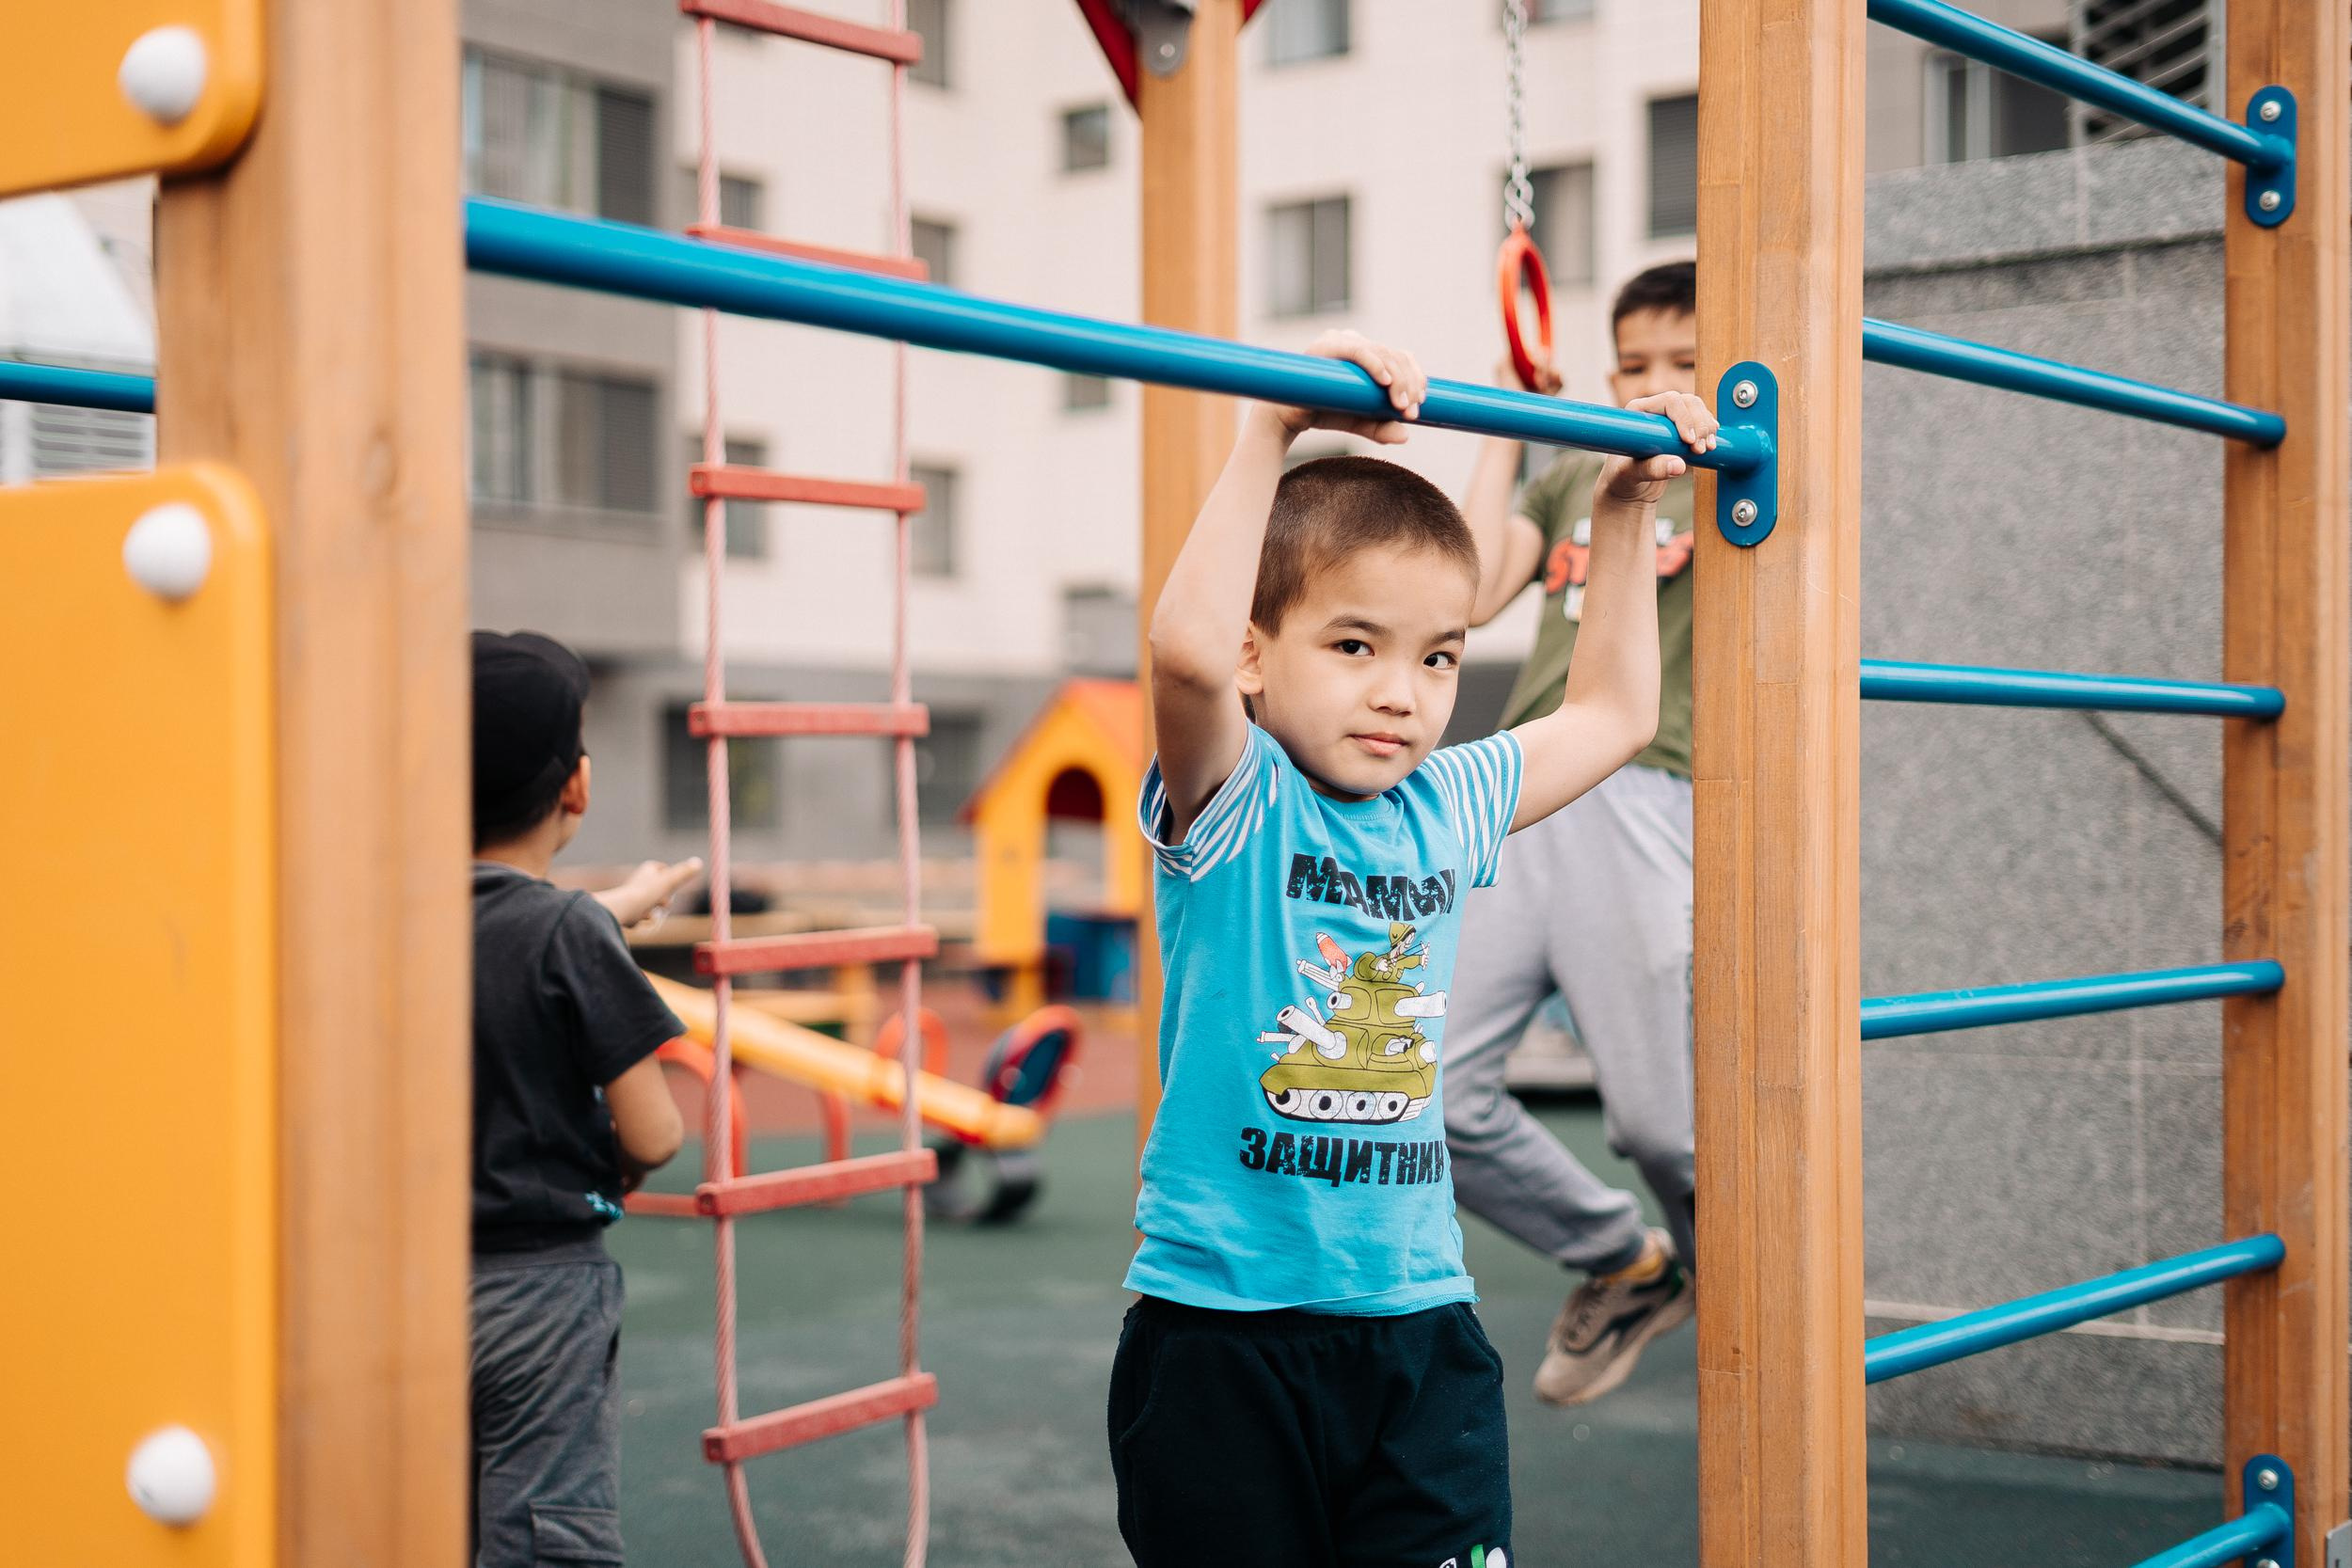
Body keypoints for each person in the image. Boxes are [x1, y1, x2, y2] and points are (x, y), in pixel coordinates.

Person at [1111, 329, 1717, 1565]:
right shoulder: (1238, 798)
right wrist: (1268, 431)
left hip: (1418, 1324)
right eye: (1354, 645)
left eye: (1437, 656)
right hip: (1224, 1332)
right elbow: (1180, 651)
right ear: (1255, 655)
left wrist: (1614, 505)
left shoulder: (1446, 797)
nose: (1403, 690)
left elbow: (1611, 711)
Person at [1443, 260, 1703, 1409]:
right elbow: (1458, 584)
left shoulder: (1729, 475)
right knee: (1419, 1090)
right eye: (1632, 364)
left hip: (1645, 791)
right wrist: (1503, 400)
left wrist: (1697, 441)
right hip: (1520, 789)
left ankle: (1733, 1276)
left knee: (1662, 1121)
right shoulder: (1567, 481)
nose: (1653, 384)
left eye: (1683, 364)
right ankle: (1621, 1255)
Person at [469, 628, 701, 1567]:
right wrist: (618, 1164)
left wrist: (614, 903)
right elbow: (657, 1130)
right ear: (578, 786)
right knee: (540, 1527)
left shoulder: (385, 913)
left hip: (402, 1282)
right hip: (541, 1281)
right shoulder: (567, 930)